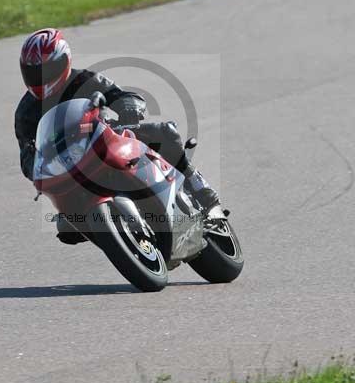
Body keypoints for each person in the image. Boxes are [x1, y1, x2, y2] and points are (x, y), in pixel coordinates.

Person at [14, 28, 221, 244]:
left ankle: (197, 185)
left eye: (47, 69)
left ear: (64, 60)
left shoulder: (83, 79)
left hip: (104, 139)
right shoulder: (26, 112)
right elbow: (27, 153)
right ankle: (117, 236)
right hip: (68, 167)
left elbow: (122, 94)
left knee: (164, 133)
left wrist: (128, 106)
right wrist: (36, 168)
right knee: (66, 226)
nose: (41, 77)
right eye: (34, 72)